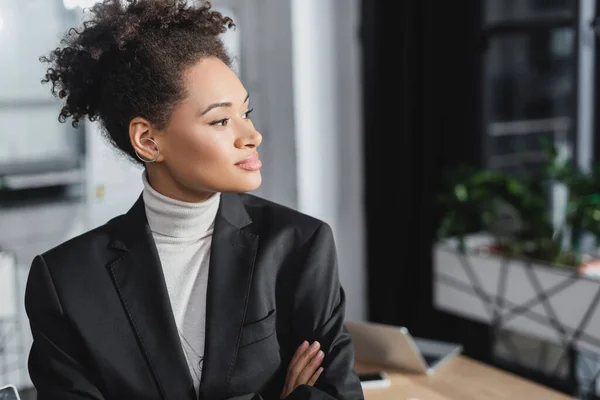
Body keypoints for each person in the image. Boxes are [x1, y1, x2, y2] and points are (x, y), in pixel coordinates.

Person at [24, 1, 364, 399]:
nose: (251, 135)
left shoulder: (299, 245)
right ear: (148, 140)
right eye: (221, 120)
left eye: (246, 112)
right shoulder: (66, 281)